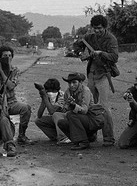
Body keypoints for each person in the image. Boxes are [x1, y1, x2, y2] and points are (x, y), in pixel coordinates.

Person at [73, 14, 118, 147]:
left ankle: (109, 138)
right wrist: (80, 53)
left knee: (104, 106)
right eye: (94, 28)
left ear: (104, 27)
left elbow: (114, 57)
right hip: (91, 74)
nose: (96, 31)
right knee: (90, 105)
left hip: (104, 74)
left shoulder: (111, 39)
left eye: (99, 28)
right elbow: (78, 45)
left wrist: (100, 53)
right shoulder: (89, 37)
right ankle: (91, 134)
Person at [0, 45, 33, 145]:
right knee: (2, 119)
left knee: (26, 109)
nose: (8, 58)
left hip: (11, 102)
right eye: (4, 56)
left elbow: (11, 86)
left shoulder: (14, 70)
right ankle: (0, 136)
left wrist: (1, 72)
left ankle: (22, 135)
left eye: (9, 56)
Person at [57, 72, 103, 150]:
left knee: (71, 115)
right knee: (61, 122)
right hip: (79, 120)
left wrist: (74, 105)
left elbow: (85, 110)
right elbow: (64, 110)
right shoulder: (68, 92)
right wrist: (67, 105)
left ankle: (83, 142)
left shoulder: (85, 91)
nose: (71, 85)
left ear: (80, 82)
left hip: (91, 119)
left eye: (74, 82)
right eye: (69, 83)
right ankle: (80, 139)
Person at [34, 78, 70, 145]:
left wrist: (45, 97)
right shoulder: (48, 96)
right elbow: (39, 115)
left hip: (66, 121)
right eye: (48, 91)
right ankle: (55, 136)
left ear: (58, 89)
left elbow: (52, 111)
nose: (50, 93)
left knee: (56, 115)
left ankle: (64, 137)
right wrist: (44, 100)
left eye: (52, 91)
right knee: (38, 120)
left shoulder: (62, 96)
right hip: (56, 122)